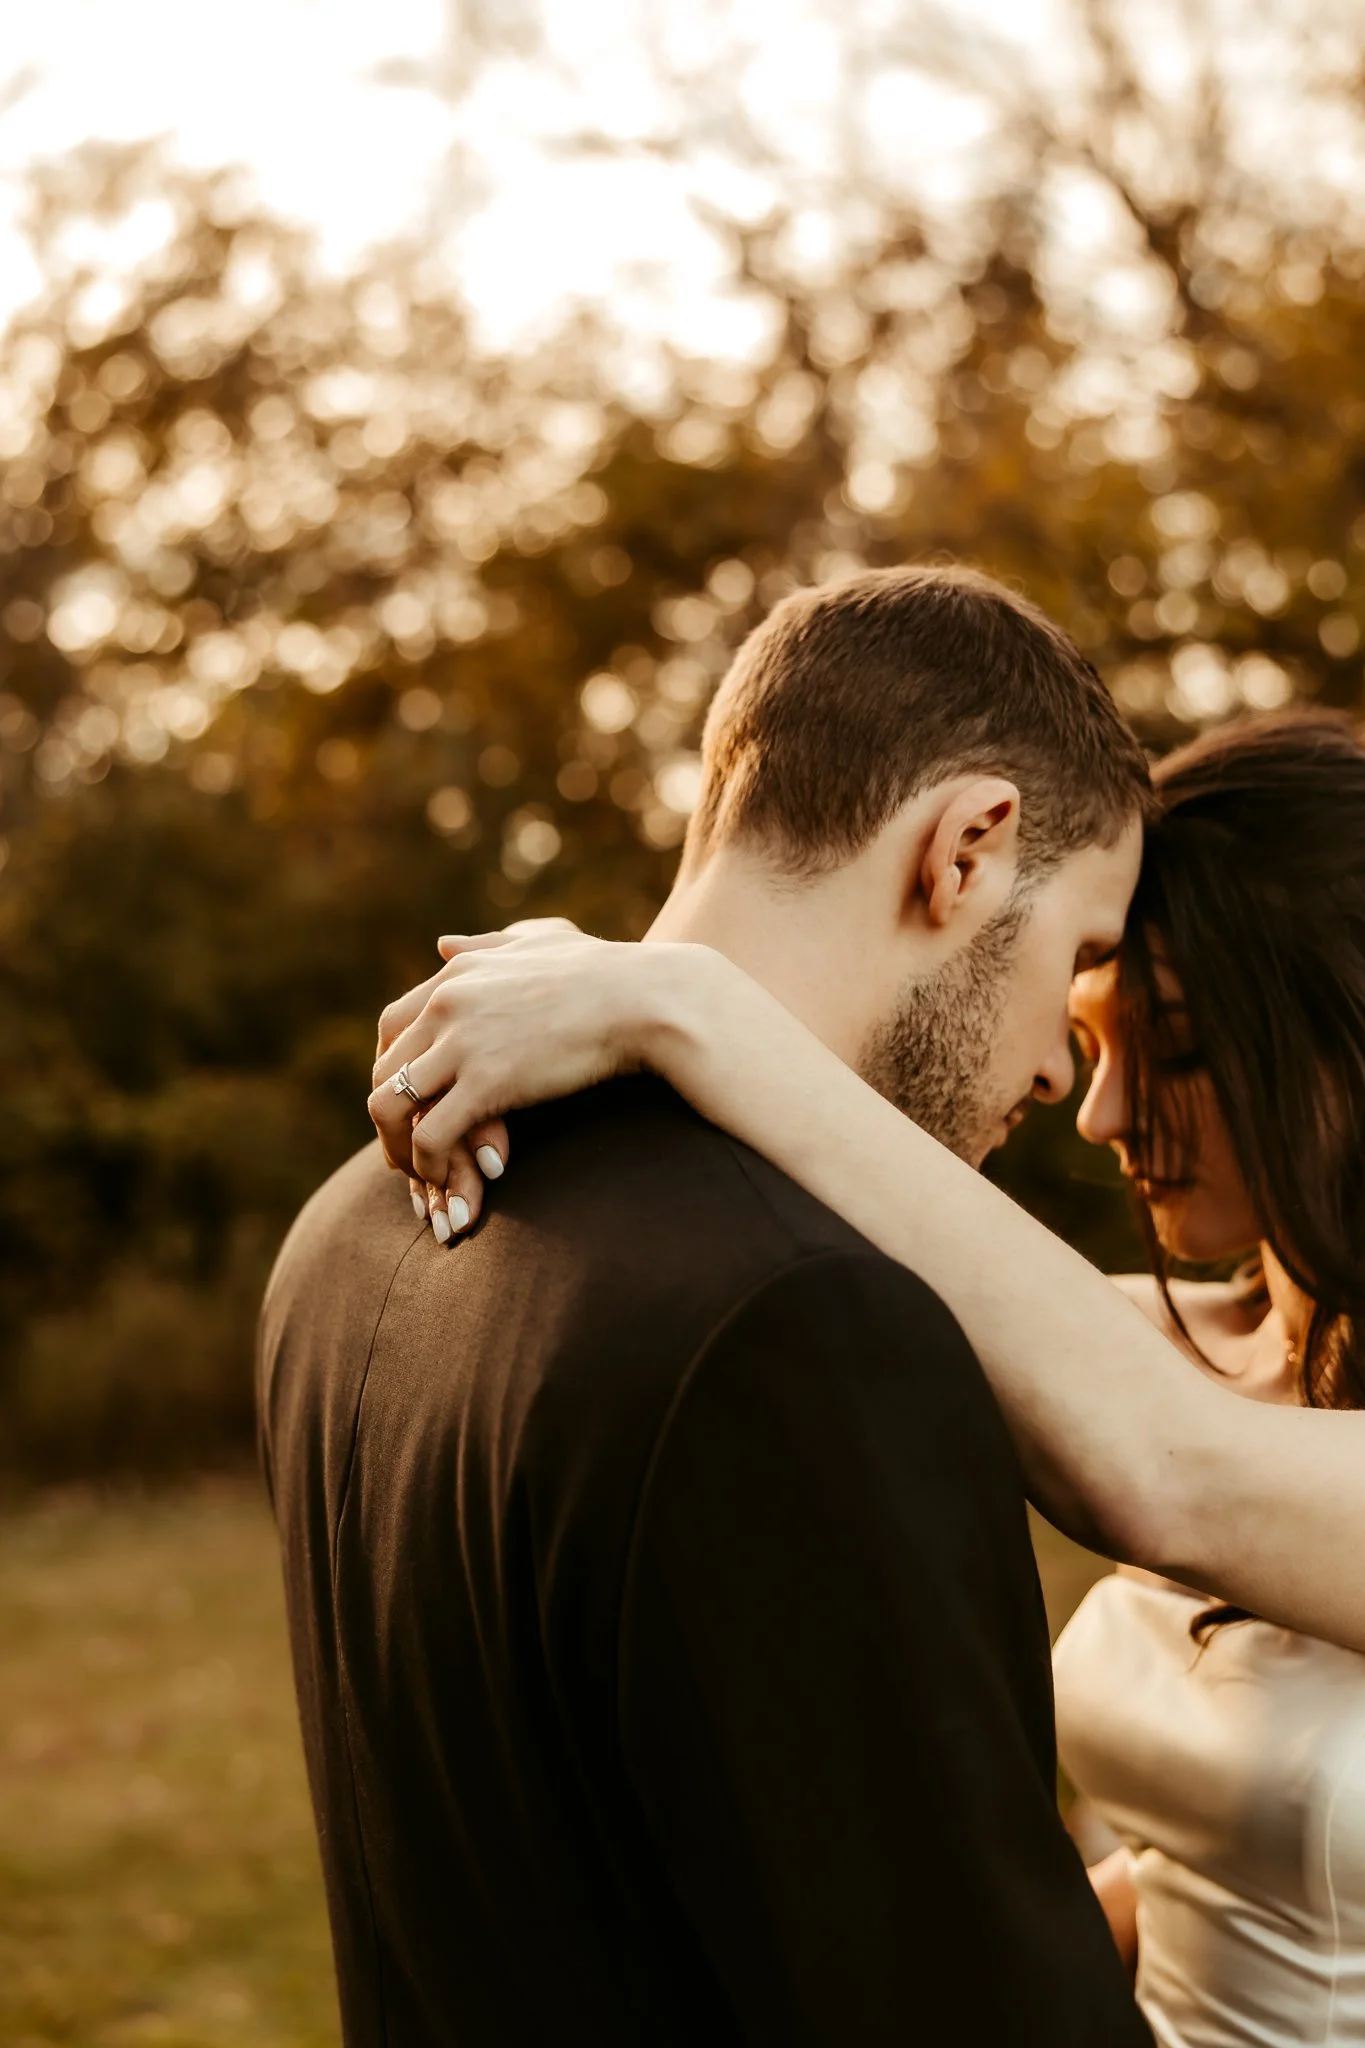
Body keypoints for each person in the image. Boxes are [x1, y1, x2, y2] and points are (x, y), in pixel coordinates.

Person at [371, 710, 1365, 2047]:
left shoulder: (1162, 1416)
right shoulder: (1175, 1342)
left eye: (1176, 1044)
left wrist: (689, 1004)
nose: (1104, 1114)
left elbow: (1167, 1468)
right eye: (1095, 1036)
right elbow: (1227, 1891)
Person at [260, 564, 1155, 2046]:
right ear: (971, 848)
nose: (1062, 1076)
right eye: (1081, 961)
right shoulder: (811, 1328)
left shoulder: (347, 1225)